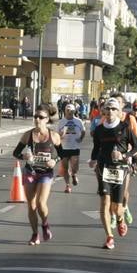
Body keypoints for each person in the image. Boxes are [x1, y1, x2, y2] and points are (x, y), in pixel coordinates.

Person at [89, 97, 137, 250]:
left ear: (119, 112)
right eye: (108, 109)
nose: (110, 111)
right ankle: (109, 237)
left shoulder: (125, 128)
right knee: (105, 203)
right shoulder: (99, 129)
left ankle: (120, 219)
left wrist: (124, 156)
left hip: (120, 170)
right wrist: (93, 160)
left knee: (116, 208)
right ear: (103, 110)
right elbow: (96, 148)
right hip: (103, 169)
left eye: (113, 109)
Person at [12, 105, 62, 244]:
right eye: (35, 117)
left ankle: (45, 224)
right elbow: (16, 153)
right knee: (31, 205)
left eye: (41, 117)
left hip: (45, 173)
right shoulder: (28, 135)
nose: (37, 119)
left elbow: (62, 154)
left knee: (41, 203)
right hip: (30, 172)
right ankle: (35, 234)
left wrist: (54, 160)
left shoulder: (54, 136)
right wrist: (24, 157)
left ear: (47, 120)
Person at [56, 102, 86, 193]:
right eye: (68, 110)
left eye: (71, 111)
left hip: (74, 147)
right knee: (65, 168)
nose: (69, 112)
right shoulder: (61, 122)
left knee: (74, 167)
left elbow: (83, 131)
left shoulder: (78, 121)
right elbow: (57, 135)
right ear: (65, 111)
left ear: (74, 111)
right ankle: (67, 186)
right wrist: (61, 135)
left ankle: (74, 174)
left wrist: (81, 138)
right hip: (64, 148)